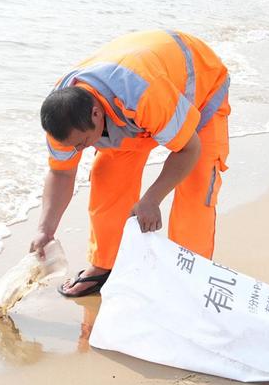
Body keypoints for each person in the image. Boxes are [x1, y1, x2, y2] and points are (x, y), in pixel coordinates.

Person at [30, 30, 230, 297]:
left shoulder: (144, 94)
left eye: (83, 142)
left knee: (197, 184)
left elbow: (188, 149)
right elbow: (62, 173)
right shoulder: (62, 117)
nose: (78, 151)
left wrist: (151, 199)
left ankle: (188, 278)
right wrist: (46, 229)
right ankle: (105, 267)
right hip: (135, 108)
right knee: (107, 175)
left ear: (95, 113)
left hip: (200, 90)